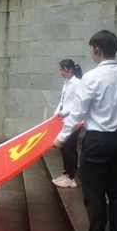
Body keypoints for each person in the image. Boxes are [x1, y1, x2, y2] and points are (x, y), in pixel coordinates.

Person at [54, 30, 117, 231]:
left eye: (92, 49)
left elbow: (77, 112)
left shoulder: (91, 78)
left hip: (97, 140)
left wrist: (62, 137)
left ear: (97, 50)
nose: (91, 52)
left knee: (94, 194)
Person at [52, 59, 83, 188]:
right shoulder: (67, 83)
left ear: (70, 69)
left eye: (62, 69)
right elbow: (63, 100)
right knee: (65, 148)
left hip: (73, 121)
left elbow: (76, 103)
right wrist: (56, 113)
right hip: (64, 120)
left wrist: (63, 112)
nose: (61, 72)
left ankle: (70, 177)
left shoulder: (77, 83)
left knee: (70, 148)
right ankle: (66, 173)